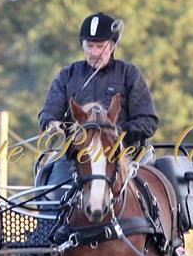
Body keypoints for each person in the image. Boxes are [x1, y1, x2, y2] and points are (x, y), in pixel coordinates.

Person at [36, 11, 159, 195]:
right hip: (76, 157)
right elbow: (48, 112)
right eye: (90, 46)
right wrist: (52, 125)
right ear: (82, 45)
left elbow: (148, 121)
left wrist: (114, 132)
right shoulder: (67, 75)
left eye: (100, 46)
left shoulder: (129, 74)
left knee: (147, 197)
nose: (94, 53)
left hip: (125, 154)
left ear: (112, 46)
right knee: (51, 195)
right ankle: (48, 223)